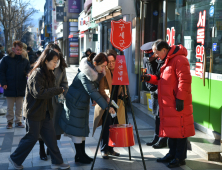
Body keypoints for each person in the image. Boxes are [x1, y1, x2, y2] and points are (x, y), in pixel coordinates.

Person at [9, 49, 70, 170]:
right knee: (32, 138)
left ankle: (57, 161)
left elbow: (50, 89)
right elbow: (39, 93)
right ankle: (15, 159)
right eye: (54, 61)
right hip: (34, 112)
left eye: (57, 61)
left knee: (51, 138)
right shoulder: (37, 73)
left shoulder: (49, 73)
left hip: (46, 112)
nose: (55, 64)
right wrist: (58, 90)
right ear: (46, 60)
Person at [141, 40, 195, 168]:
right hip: (168, 103)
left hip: (177, 102)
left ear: (164, 50)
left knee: (180, 130)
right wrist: (149, 78)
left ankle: (179, 157)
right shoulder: (167, 60)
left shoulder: (179, 59)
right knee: (171, 130)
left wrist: (180, 99)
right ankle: (171, 153)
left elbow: (185, 80)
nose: (155, 55)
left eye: (157, 52)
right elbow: (161, 80)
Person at [59, 52, 115, 164]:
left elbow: (94, 91)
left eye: (105, 66)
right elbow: (92, 91)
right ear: (95, 63)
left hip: (81, 103)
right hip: (75, 104)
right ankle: (79, 155)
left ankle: (82, 154)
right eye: (103, 66)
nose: (104, 68)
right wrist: (107, 106)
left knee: (82, 130)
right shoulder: (85, 74)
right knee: (77, 131)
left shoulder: (94, 73)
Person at [93, 50, 126, 159]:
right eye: (109, 62)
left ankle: (111, 149)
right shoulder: (104, 71)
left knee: (115, 126)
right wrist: (108, 101)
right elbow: (101, 91)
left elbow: (123, 87)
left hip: (117, 102)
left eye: (113, 61)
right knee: (106, 126)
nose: (111, 64)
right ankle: (104, 149)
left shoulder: (120, 71)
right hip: (106, 102)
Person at [38, 43, 68, 161]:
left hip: (56, 102)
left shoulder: (61, 67)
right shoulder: (41, 68)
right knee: (42, 126)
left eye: (57, 54)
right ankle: (41, 149)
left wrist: (63, 93)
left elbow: (64, 83)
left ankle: (51, 148)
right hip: (44, 101)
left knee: (55, 127)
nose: (56, 57)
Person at [140, 41, 168, 149]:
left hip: (161, 91)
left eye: (150, 54)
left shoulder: (160, 60)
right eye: (146, 55)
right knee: (156, 115)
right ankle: (156, 137)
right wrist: (149, 86)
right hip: (152, 91)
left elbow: (160, 78)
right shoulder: (145, 60)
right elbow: (145, 73)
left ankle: (162, 139)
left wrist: (157, 89)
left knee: (162, 116)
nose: (148, 57)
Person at [0, 41, 30, 129]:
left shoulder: (24, 60)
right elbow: (1, 71)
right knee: (9, 107)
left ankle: (19, 121)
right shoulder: (6, 59)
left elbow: (28, 70)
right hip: (9, 86)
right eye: (17, 49)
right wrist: (3, 83)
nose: (19, 51)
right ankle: (9, 122)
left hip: (21, 86)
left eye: (20, 50)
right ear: (13, 49)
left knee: (19, 107)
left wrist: (28, 73)